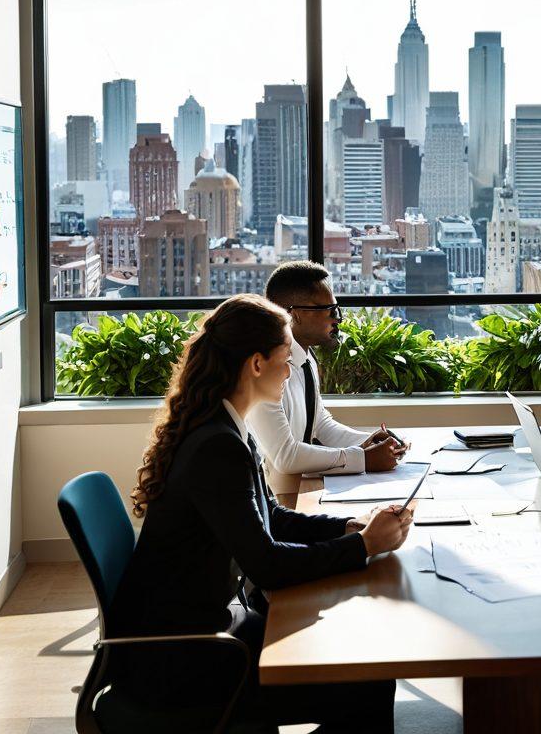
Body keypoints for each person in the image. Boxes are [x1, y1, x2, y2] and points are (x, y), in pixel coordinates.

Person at [109, 294, 411, 732]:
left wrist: (349, 527)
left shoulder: (227, 426)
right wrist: (363, 546)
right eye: (285, 358)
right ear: (255, 364)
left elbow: (272, 515)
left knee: (356, 658)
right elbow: (266, 564)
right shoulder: (217, 445)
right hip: (184, 659)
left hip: (205, 628)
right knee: (368, 680)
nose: (290, 371)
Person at [249, 261, 407, 488]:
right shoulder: (266, 369)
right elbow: (285, 456)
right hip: (275, 497)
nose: (338, 319)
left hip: (299, 489)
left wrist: (369, 442)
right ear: (296, 315)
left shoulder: (307, 359)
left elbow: (320, 426)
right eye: (330, 310)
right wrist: (362, 459)